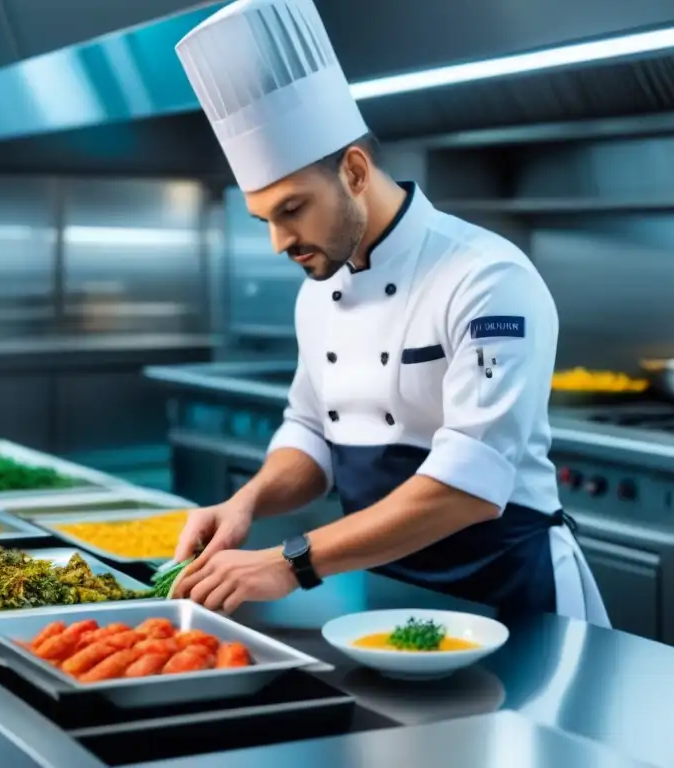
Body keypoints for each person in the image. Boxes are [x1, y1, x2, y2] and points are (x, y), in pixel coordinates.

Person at [169, 0, 610, 627]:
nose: (278, 242)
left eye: (292, 209)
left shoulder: (486, 277)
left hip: (510, 592)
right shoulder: (318, 287)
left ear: (353, 170)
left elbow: (468, 488)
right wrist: (246, 503)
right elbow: (312, 434)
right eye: (265, 219)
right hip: (387, 598)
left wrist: (291, 562)